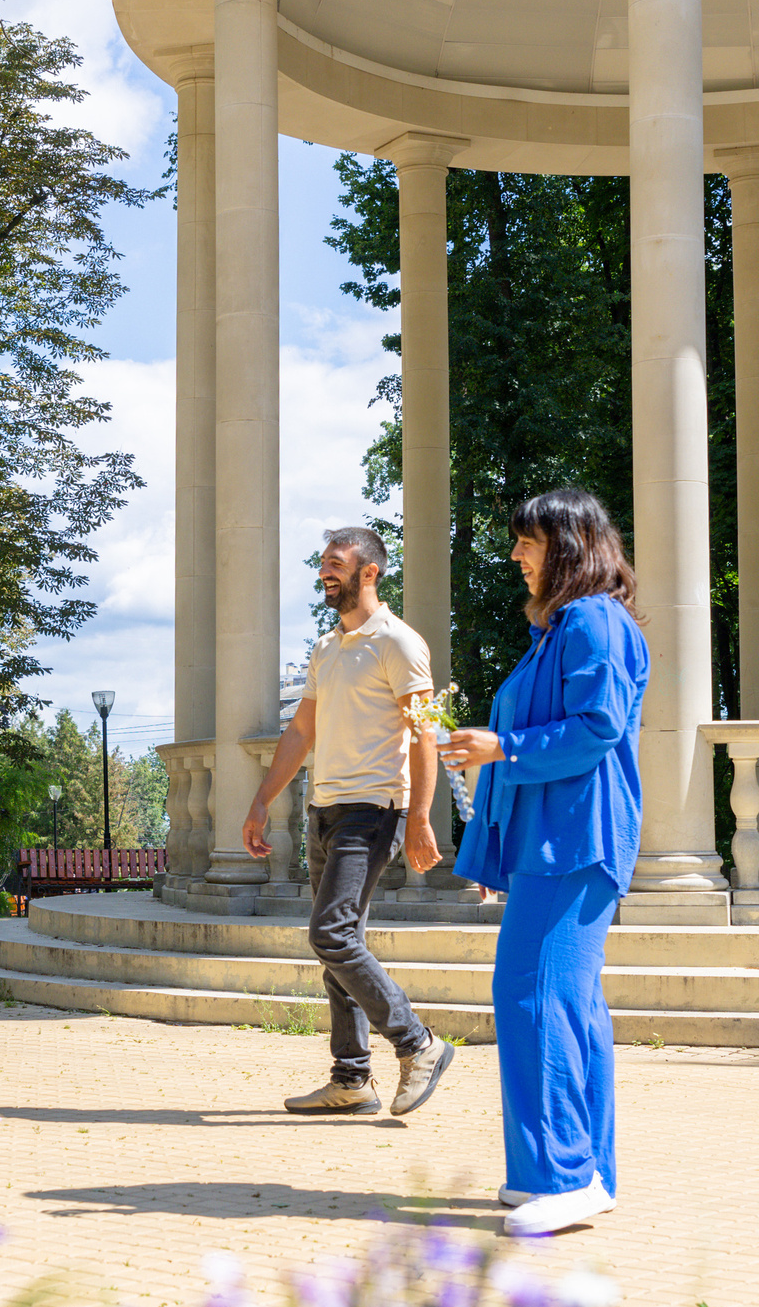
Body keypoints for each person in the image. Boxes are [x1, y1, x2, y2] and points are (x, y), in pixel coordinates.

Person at [439, 488, 647, 1236]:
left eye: (528, 542)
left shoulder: (592, 620)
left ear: (569, 545)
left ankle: (563, 1176)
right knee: (568, 1002)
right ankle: (582, 1173)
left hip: (576, 839)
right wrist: (484, 746)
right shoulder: (561, 630)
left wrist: (504, 748)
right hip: (555, 839)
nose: (517, 556)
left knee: (534, 995)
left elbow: (597, 728)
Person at [243, 526, 458, 1118]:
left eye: (335, 564)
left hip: (374, 810)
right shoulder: (327, 646)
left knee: (330, 934)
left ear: (370, 572)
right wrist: (263, 800)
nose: (324, 574)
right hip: (324, 808)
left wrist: (418, 817)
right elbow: (301, 731)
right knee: (340, 946)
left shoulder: (401, 643)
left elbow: (424, 734)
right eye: (322, 564)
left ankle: (418, 1045)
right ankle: (351, 1078)